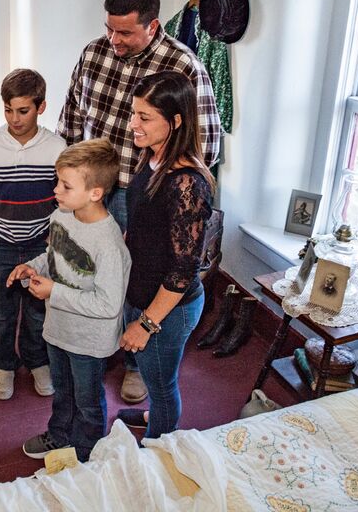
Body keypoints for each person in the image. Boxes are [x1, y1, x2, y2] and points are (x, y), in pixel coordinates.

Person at [57, 0, 221, 404]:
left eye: (125, 32)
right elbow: (71, 120)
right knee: (90, 273)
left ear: (152, 25)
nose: (113, 39)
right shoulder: (93, 53)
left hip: (141, 196)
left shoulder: (184, 66)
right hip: (92, 193)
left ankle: (135, 362)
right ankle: (96, 346)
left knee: (136, 280)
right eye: (109, 28)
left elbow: (207, 145)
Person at [7, 139, 131, 462]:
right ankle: (59, 435)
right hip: (58, 328)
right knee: (63, 392)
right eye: (57, 182)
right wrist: (31, 268)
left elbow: (108, 305)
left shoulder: (109, 244)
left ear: (95, 193)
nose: (56, 192)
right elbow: (54, 257)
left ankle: (87, 453)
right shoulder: (62, 216)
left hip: (89, 340)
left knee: (88, 401)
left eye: (65, 185)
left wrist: (54, 292)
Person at [114, 71, 215, 439]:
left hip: (168, 308)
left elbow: (183, 269)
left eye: (144, 117)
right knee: (155, 375)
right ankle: (155, 416)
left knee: (161, 384)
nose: (133, 125)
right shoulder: (151, 158)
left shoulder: (187, 183)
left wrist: (146, 324)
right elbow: (143, 225)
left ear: (175, 122)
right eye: (133, 114)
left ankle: (160, 446)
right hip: (143, 290)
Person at [0, 69, 66, 400]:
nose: (14, 118)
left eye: (23, 110)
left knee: (38, 311)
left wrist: (52, 239)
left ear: (41, 107)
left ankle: (37, 360)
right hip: (0, 245)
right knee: (4, 312)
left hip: (40, 246)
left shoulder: (57, 147)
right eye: (8, 110)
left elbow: (62, 200)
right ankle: (5, 365)